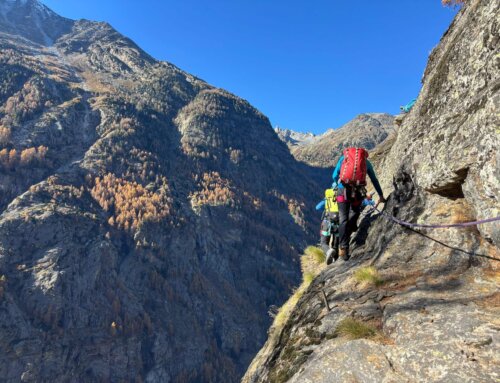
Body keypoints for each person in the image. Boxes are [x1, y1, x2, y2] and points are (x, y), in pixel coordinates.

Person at [332, 148, 386, 260]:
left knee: (343, 219)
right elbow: (374, 180)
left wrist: (338, 183)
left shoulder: (344, 158)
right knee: (355, 212)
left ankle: (343, 248)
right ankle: (349, 232)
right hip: (357, 192)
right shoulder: (366, 162)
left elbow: (334, 175)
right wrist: (381, 195)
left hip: (342, 191)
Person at [315, 188, 340, 265]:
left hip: (327, 223)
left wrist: (325, 202)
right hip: (338, 224)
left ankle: (328, 251)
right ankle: (335, 261)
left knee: (323, 242)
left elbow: (317, 207)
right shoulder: (342, 199)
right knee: (335, 244)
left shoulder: (327, 200)